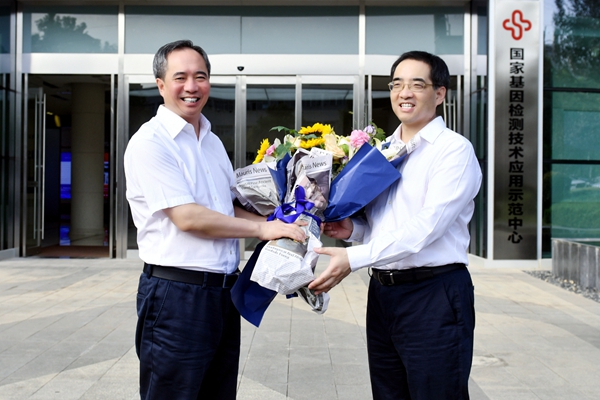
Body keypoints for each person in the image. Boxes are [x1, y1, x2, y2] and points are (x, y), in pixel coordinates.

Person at [124, 40, 305, 400]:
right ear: (161, 84)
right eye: (180, 77)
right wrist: (262, 228)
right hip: (177, 296)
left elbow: (225, 208)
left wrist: (285, 224)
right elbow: (188, 217)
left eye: (201, 76)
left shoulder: (212, 142)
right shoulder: (151, 142)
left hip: (222, 295)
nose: (192, 86)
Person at [309, 51, 482, 399]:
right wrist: (354, 231)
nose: (405, 93)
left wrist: (354, 258)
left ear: (440, 93)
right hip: (383, 295)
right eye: (397, 84)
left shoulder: (453, 151)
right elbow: (386, 221)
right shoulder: (383, 149)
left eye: (417, 85)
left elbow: (426, 228)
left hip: (433, 295)